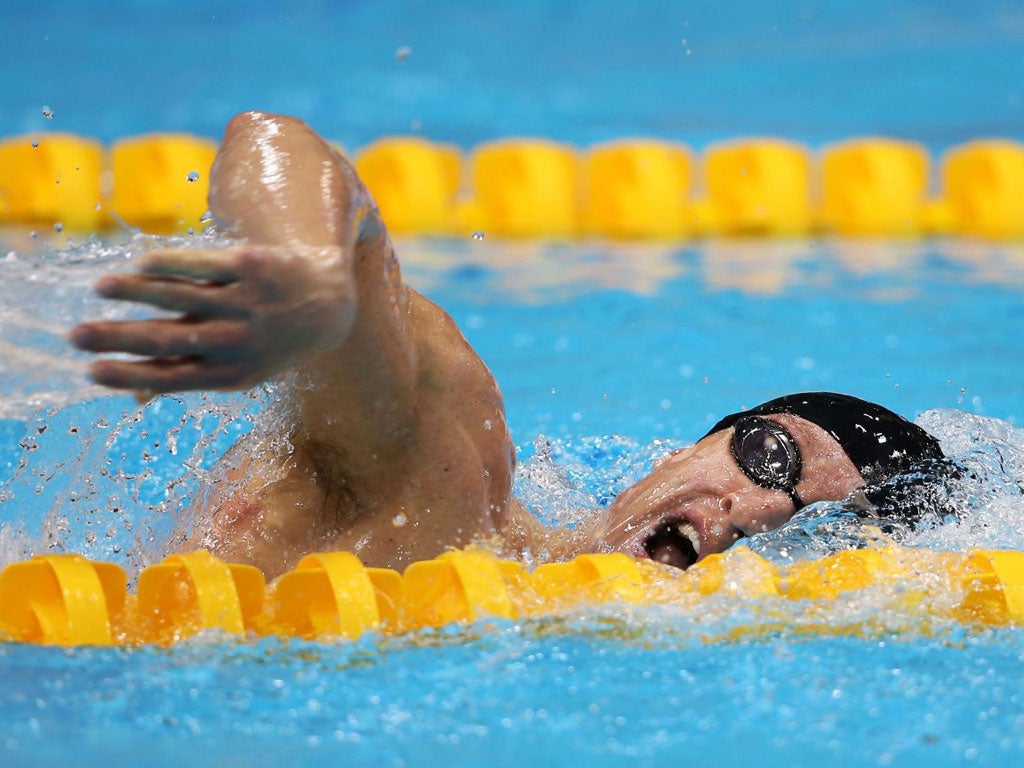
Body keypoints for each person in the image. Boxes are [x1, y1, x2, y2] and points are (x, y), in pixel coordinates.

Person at [70, 112, 950, 578]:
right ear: (693, 444)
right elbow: (280, 143)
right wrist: (310, 281)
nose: (758, 511)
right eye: (766, 457)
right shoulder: (446, 485)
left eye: (809, 524)